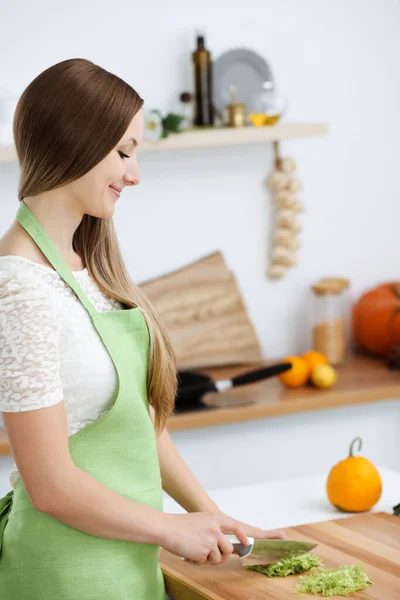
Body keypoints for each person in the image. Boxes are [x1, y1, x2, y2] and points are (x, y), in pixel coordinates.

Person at [0, 58, 286, 600]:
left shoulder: (89, 266)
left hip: (128, 568)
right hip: (64, 577)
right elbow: (50, 485)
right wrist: (172, 529)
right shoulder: (18, 289)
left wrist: (211, 515)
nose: (134, 174)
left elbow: (142, 424)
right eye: (124, 152)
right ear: (75, 142)